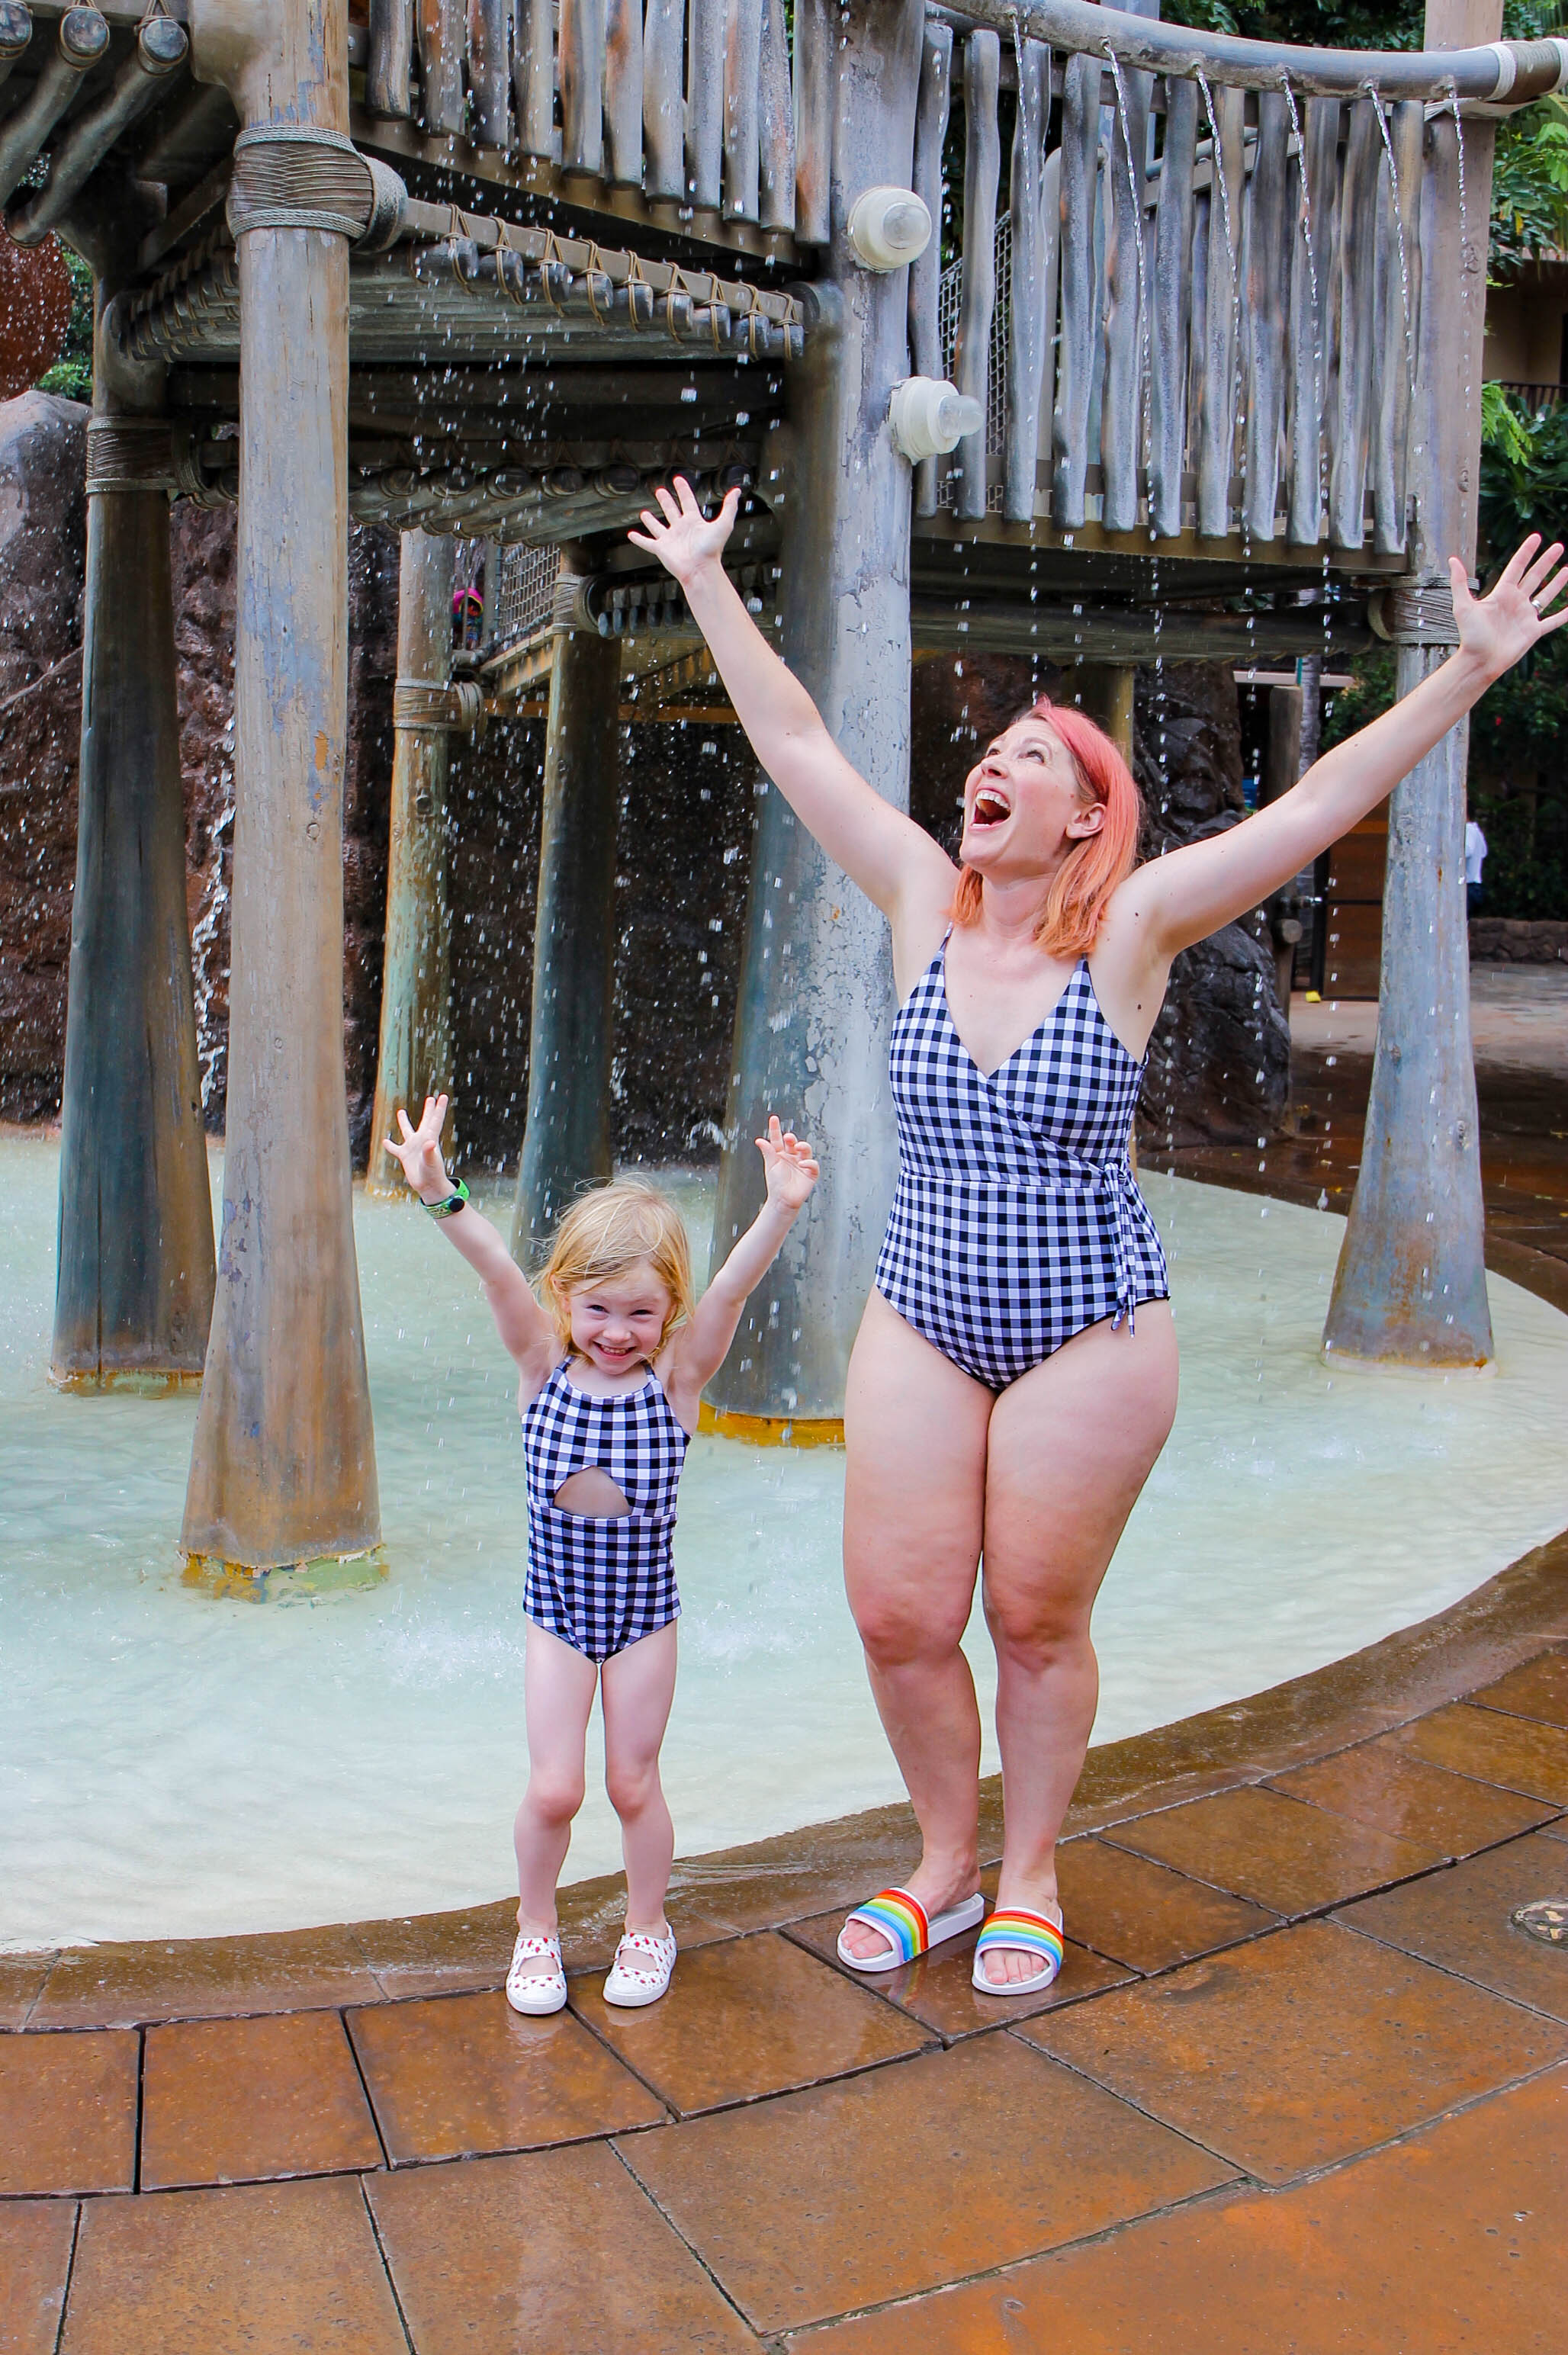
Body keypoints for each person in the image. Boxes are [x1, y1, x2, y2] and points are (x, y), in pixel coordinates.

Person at [632, 479, 1566, 1996]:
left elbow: (1312, 806)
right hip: (923, 1311)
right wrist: (703, 581)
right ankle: (941, 1856)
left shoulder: (1123, 931)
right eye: (984, 757)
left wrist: (1462, 668)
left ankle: (1028, 1869)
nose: (986, 772)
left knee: (1033, 1615)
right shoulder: (918, 904)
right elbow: (796, 741)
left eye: (1027, 763)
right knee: (895, 1611)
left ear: (1083, 815)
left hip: (1089, 1327)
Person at [383, 1094, 820, 2013]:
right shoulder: (542, 1368)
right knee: (553, 1788)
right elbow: (499, 1270)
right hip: (558, 1620)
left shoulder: (675, 1383)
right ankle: (534, 1927)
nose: (616, 1331)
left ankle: (646, 1926)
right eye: (597, 1309)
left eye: (639, 1312)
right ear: (566, 1301)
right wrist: (438, 1191)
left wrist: (779, 1204)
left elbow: (733, 1289)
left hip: (642, 1622)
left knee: (631, 1782)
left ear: (669, 1311)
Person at [1465, 809, 1489, 916]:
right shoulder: (1477, 831)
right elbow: (1484, 852)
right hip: (1476, 886)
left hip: (1468, 886)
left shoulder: (1468, 829)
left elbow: (1467, 850)